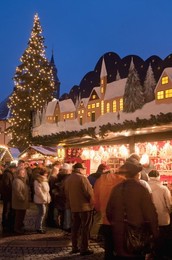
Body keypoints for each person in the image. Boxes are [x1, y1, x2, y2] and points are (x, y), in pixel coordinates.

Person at [106, 161, 159, 259]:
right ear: (137, 175)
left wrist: (117, 224)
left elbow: (109, 212)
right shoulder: (141, 189)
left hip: (119, 235)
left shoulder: (116, 189)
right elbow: (150, 214)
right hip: (137, 236)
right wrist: (155, 233)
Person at [94, 166, 126, 259]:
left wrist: (100, 211)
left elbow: (95, 200)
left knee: (108, 245)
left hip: (105, 219)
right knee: (120, 245)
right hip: (119, 219)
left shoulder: (100, 181)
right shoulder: (122, 181)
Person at [64, 162, 94, 256]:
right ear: (79, 169)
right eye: (83, 169)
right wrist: (92, 202)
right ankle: (84, 248)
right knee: (85, 228)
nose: (84, 170)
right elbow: (88, 193)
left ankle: (74, 247)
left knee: (75, 228)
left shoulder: (68, 179)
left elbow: (66, 193)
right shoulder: (82, 178)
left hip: (74, 207)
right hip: (85, 207)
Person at [148, 169, 172, 258]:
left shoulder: (145, 187)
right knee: (163, 238)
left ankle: (152, 253)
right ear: (158, 177)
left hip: (150, 218)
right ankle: (162, 254)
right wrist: (169, 212)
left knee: (152, 237)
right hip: (163, 219)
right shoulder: (164, 188)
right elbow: (169, 204)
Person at [88, 163, 110, 240]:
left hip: (90, 199)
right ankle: (93, 234)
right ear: (103, 170)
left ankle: (90, 232)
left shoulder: (90, 176)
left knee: (92, 217)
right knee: (98, 218)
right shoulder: (102, 178)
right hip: (99, 200)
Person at [12, 168, 30, 234]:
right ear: (18, 173)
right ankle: (17, 229)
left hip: (22, 202)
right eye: (22, 173)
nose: (23, 174)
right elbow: (17, 192)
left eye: (24, 173)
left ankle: (20, 228)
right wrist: (22, 198)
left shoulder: (22, 180)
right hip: (19, 202)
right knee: (19, 216)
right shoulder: (17, 181)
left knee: (21, 216)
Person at [33, 167, 51, 234]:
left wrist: (47, 198)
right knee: (42, 213)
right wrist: (44, 198)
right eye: (46, 173)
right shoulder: (38, 180)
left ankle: (39, 227)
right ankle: (38, 228)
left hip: (43, 199)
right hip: (40, 199)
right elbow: (38, 191)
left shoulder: (44, 180)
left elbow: (47, 191)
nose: (47, 174)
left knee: (42, 213)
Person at [1, 163, 17, 233]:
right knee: (6, 210)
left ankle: (7, 223)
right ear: (12, 168)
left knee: (7, 209)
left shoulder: (9, 173)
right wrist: (12, 190)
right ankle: (5, 224)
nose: (15, 170)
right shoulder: (7, 174)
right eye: (14, 169)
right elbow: (6, 184)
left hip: (8, 195)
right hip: (7, 195)